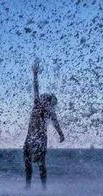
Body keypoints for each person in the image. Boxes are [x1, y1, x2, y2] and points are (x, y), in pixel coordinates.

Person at [24, 60, 65, 189]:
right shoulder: (42, 105)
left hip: (35, 139)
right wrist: (61, 134)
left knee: (33, 164)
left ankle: (33, 187)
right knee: (37, 164)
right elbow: (56, 123)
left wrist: (35, 75)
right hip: (36, 139)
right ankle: (39, 188)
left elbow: (36, 88)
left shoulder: (42, 105)